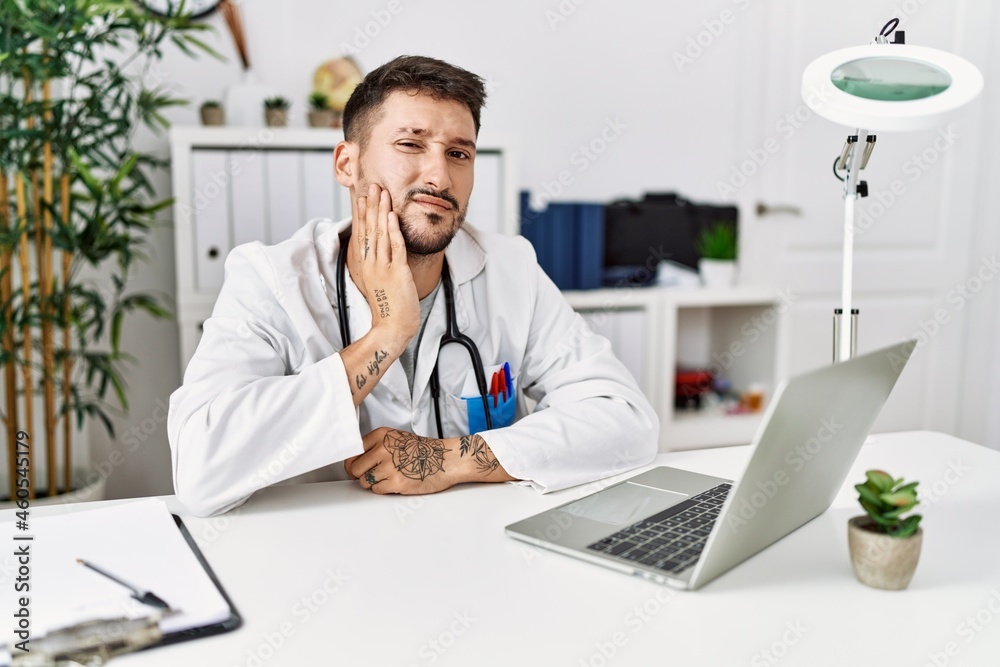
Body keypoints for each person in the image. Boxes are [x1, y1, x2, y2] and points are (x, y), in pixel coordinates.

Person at [167, 55, 658, 517]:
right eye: (410, 144)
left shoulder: (511, 269)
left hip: (477, 556)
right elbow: (200, 469)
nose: (440, 176)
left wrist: (450, 459)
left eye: (459, 153)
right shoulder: (271, 279)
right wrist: (387, 333)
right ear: (346, 165)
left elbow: (627, 423)